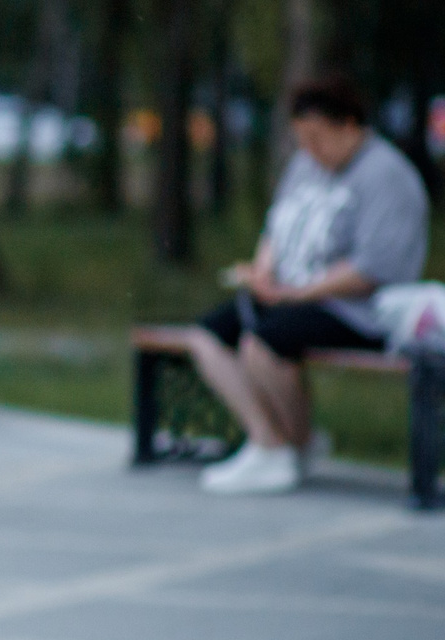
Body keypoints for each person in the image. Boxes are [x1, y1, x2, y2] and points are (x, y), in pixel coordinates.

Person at [183, 76, 428, 495]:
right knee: (205, 337)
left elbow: (373, 269)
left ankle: (291, 446)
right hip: (291, 297)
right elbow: (275, 227)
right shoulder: (305, 165)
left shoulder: (387, 176)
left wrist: (299, 293)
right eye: (302, 140)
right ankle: (269, 442)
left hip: (358, 310)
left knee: (262, 344)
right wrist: (264, 271)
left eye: (318, 138)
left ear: (350, 125)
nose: (310, 151)